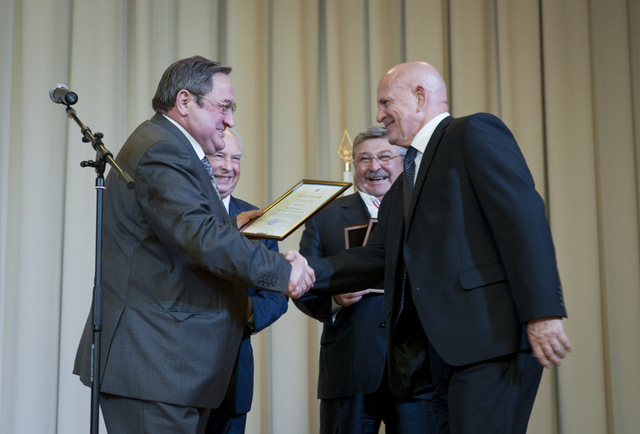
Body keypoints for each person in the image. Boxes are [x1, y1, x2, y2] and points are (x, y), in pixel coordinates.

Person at [304, 61, 572, 433]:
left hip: (491, 343)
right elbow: (377, 257)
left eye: (385, 102)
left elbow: (522, 220)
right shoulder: (404, 184)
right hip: (437, 360)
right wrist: (304, 271)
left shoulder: (471, 133)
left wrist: (542, 312)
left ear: (420, 97)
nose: (379, 115)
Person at [73, 55, 314, 434]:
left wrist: (231, 226)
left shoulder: (167, 144)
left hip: (170, 370)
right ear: (185, 101)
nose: (229, 120)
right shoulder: (163, 149)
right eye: (224, 107)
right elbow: (200, 239)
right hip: (154, 366)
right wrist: (284, 272)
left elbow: (170, 232)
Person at [294, 126, 436, 434]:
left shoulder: (427, 211)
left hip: (418, 369)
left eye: (385, 156)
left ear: (403, 162)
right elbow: (304, 285)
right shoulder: (324, 216)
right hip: (350, 370)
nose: (375, 167)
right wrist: (334, 300)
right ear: (354, 165)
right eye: (364, 159)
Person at [205, 129, 288, 433]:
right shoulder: (182, 212)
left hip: (233, 380)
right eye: (218, 156)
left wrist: (246, 310)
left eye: (236, 158)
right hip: (179, 377)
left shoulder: (258, 219)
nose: (228, 167)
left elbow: (276, 295)